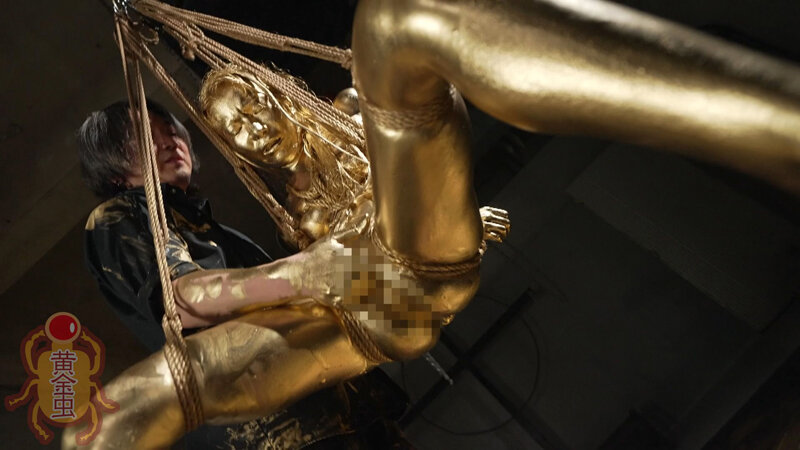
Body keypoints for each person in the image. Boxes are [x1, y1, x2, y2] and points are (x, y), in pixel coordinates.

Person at [65, 0, 800, 447]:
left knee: (402, 25)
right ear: (114, 160)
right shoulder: (125, 221)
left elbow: (374, 235)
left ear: (280, 96)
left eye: (175, 129)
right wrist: (313, 270)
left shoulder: (337, 128)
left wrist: (450, 216)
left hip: (371, 325)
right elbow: (190, 298)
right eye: (231, 130)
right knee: (115, 414)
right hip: (359, 320)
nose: (181, 140)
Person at [77, 100, 412, 449]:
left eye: (170, 129)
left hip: (343, 402)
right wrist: (304, 272)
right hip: (280, 429)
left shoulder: (217, 232)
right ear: (112, 168)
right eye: (144, 134)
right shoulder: (117, 217)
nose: (168, 141)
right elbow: (183, 300)